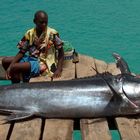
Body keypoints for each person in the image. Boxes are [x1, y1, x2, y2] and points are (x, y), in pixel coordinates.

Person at [2, 10, 64, 83]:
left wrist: (59, 69)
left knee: (14, 67)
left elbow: (61, 52)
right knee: (5, 61)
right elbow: (22, 51)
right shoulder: (30, 33)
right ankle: (17, 80)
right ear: (35, 21)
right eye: (41, 22)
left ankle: (16, 86)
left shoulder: (52, 33)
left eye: (46, 22)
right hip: (31, 59)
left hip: (43, 63)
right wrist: (9, 66)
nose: (44, 24)